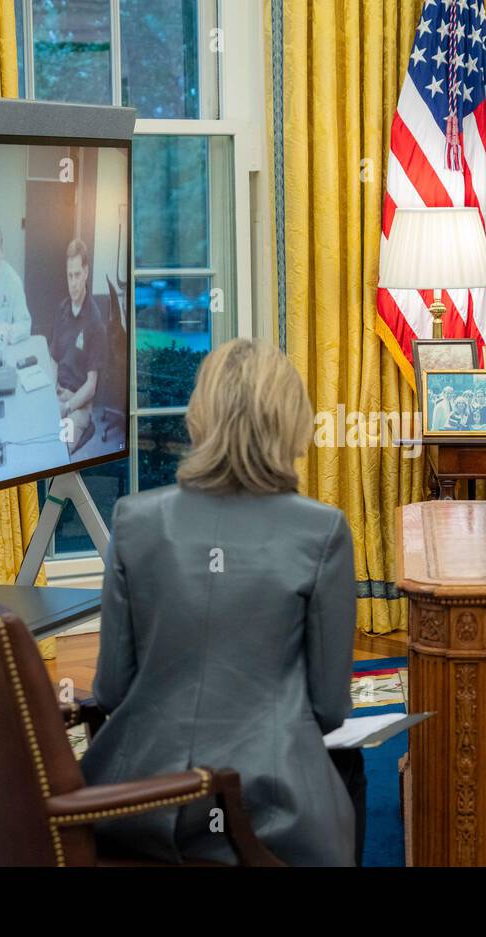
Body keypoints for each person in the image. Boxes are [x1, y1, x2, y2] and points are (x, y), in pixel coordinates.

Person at [80, 338, 356, 866]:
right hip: (270, 814)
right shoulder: (322, 532)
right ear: (291, 420)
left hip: (135, 801)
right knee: (350, 778)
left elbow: (111, 689)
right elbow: (328, 708)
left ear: (198, 415)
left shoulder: (134, 520)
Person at [49, 238, 107, 455]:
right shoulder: (62, 310)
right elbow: (54, 358)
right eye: (69, 276)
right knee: (32, 436)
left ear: (86, 273)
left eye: (77, 275)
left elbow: (91, 386)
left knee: (57, 450)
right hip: (58, 394)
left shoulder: (95, 323)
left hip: (78, 406)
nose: (72, 283)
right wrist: (51, 392)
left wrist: (66, 407)